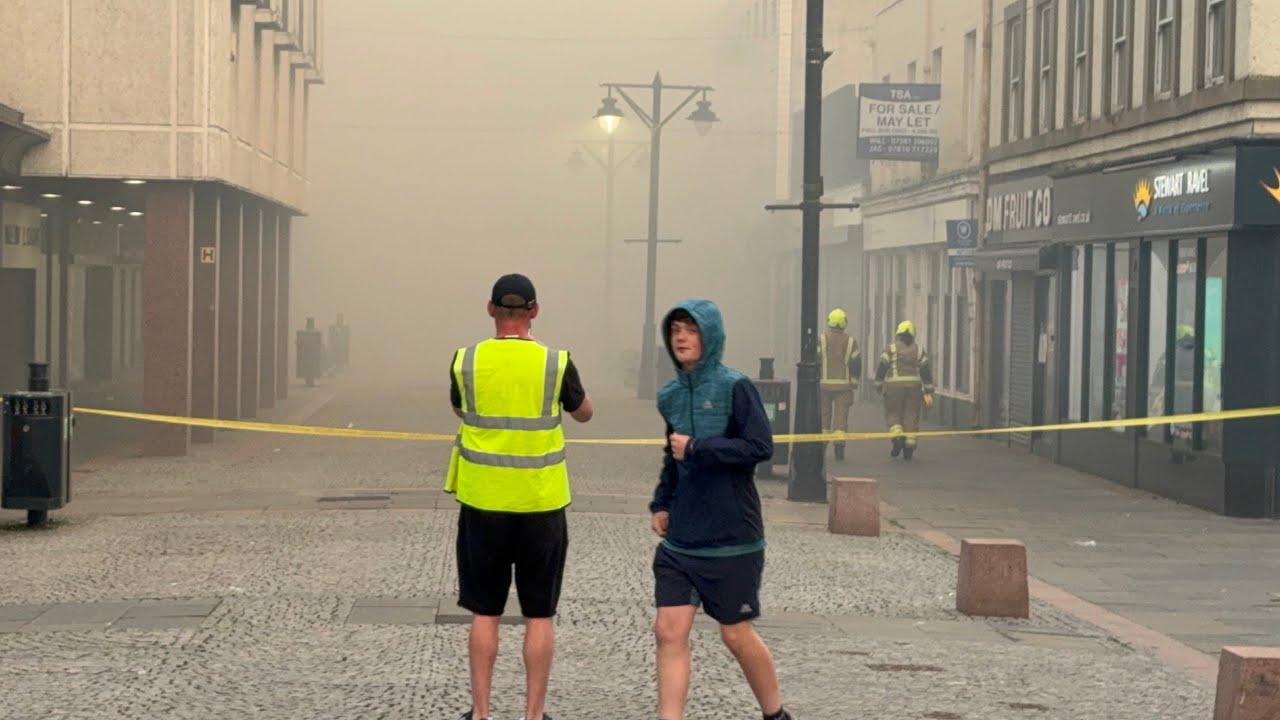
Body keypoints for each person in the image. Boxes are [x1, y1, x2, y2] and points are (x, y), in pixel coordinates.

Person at [444, 273, 594, 720]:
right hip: (541, 504)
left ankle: (482, 714)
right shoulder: (555, 362)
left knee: (485, 612)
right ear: (534, 312)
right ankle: (533, 715)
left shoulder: (465, 360)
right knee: (539, 614)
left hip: (483, 503)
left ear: (490, 309)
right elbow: (584, 414)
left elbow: (460, 407)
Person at [648, 298, 795, 720]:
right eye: (675, 329)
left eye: (691, 329)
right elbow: (671, 456)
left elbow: (759, 447)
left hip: (733, 539)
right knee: (668, 631)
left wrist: (698, 447)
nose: (681, 336)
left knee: (735, 634)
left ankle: (775, 714)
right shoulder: (670, 396)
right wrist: (662, 501)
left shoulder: (736, 387)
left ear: (709, 336)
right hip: (682, 542)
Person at [874, 320, 934, 461]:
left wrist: (878, 384)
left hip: (894, 388)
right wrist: (929, 389)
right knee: (911, 414)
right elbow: (925, 371)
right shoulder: (919, 350)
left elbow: (882, 367)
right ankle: (909, 447)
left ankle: (897, 437)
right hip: (914, 388)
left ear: (898, 334)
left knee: (893, 413)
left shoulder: (891, 349)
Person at [818, 308, 863, 461]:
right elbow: (856, 363)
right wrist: (854, 382)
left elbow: (815, 360)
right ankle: (839, 448)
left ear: (829, 321)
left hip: (824, 386)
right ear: (844, 323)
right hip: (844, 387)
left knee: (824, 416)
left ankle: (822, 446)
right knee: (841, 416)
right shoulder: (851, 341)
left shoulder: (822, 339)